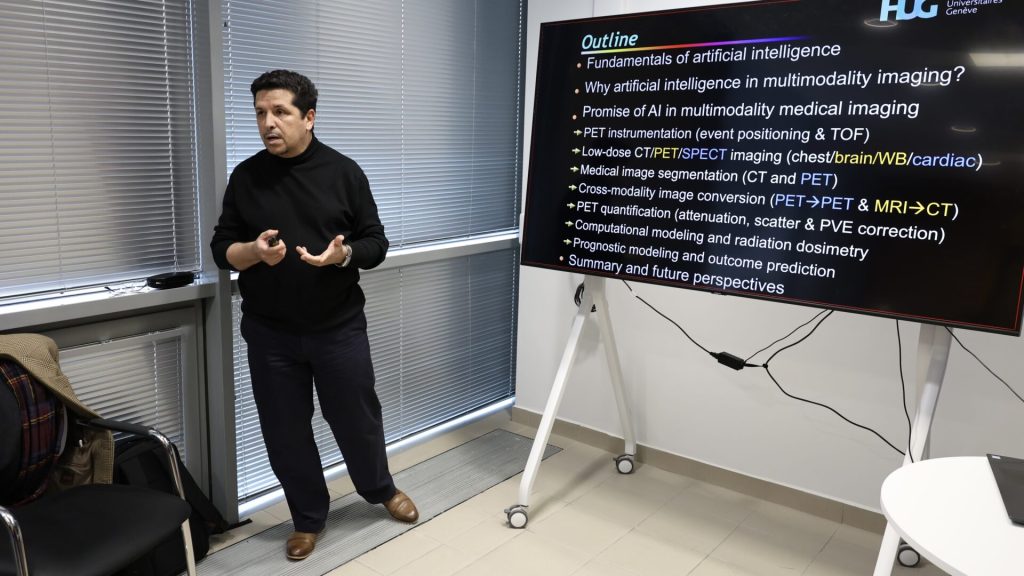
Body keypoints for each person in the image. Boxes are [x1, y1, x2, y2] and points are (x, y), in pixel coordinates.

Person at [210, 70, 418, 562]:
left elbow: (376, 243)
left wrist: (342, 256)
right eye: (260, 113)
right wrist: (254, 253)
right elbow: (222, 250)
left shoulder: (344, 173)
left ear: (308, 117)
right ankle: (307, 518)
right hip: (270, 335)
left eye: (280, 112)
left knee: (356, 419)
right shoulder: (246, 177)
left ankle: (381, 489)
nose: (268, 122)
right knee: (285, 432)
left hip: (338, 329)